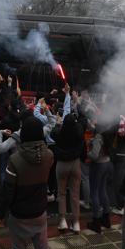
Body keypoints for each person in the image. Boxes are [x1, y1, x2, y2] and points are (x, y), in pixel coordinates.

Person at [0, 116, 54, 249]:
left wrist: (1, 214)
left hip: (20, 214)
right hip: (40, 210)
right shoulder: (49, 155)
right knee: (42, 248)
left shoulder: (15, 160)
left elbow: (8, 191)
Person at [52, 96, 83, 233]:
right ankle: (76, 223)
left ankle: (63, 221)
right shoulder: (78, 132)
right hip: (75, 164)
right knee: (75, 194)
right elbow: (82, 122)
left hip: (62, 164)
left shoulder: (59, 132)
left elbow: (53, 133)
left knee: (62, 193)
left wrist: (58, 123)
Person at [88, 120, 114, 233]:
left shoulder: (98, 137)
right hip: (107, 163)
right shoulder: (109, 135)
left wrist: (86, 152)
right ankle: (106, 218)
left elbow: (94, 155)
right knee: (103, 191)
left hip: (98, 165)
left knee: (94, 193)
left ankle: (96, 221)